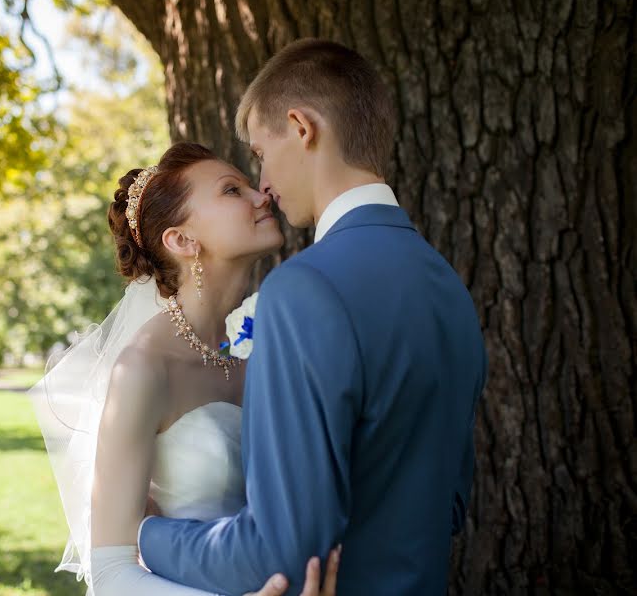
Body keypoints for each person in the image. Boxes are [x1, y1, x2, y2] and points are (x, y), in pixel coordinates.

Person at [136, 39, 488, 595]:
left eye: (259, 153)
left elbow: (279, 555)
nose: (264, 183)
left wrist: (150, 534)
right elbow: (448, 507)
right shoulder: (449, 289)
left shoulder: (306, 288)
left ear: (302, 128)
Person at [34, 142, 340, 596]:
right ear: (182, 240)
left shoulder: (266, 344)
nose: (261, 196)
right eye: (232, 191)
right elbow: (111, 573)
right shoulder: (143, 368)